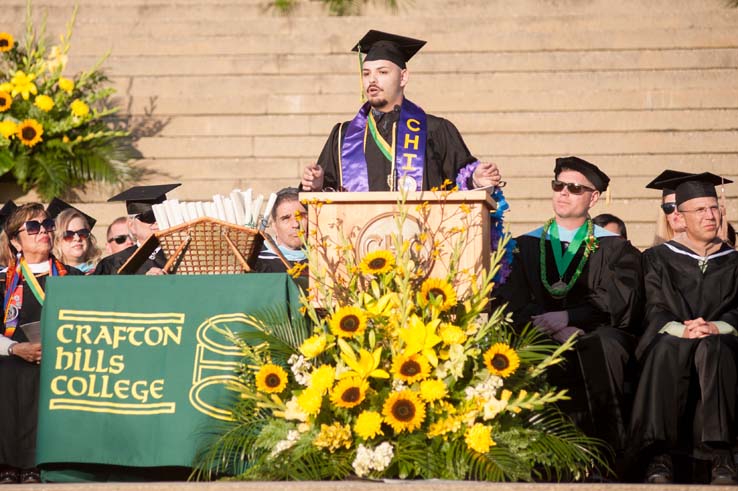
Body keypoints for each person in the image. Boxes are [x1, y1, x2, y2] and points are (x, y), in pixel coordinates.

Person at [496, 156, 643, 476]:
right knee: (524, 349)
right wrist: (551, 324)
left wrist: (572, 319)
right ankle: (536, 461)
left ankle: (604, 458)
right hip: (540, 329)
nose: (563, 192)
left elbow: (619, 300)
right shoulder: (525, 245)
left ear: (594, 197)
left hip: (594, 331)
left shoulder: (615, 248)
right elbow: (513, 299)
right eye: (558, 185)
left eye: (575, 188)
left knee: (606, 345)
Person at [630, 172, 738, 485]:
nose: (710, 215)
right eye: (701, 210)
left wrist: (716, 327)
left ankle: (722, 456)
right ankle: (659, 455)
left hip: (723, 339)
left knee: (713, 348)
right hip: (671, 334)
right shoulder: (656, 259)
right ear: (680, 216)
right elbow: (652, 307)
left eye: (714, 208)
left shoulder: (733, 260)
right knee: (665, 348)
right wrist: (681, 329)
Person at [301, 30, 501, 193]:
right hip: (358, 239)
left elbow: (462, 179)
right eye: (366, 73)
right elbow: (325, 196)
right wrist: (315, 185)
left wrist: (475, 180)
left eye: (382, 72)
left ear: (403, 77)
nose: (372, 80)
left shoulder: (435, 129)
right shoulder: (343, 136)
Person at [0, 203, 82, 484]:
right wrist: (14, 348)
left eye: (47, 225)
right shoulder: (3, 281)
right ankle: (7, 463)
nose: (43, 232)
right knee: (9, 371)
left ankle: (37, 462)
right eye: (32, 227)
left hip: (63, 357)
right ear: (14, 240)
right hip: (10, 356)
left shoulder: (74, 278)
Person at [93, 184, 180, 275]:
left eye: (162, 216)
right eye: (149, 217)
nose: (157, 222)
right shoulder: (113, 264)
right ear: (132, 226)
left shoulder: (184, 256)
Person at [254, 187, 307, 276]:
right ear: (274, 226)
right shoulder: (257, 262)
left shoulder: (325, 258)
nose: (295, 224)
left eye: (301, 216)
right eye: (286, 218)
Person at [48, 199, 101, 274]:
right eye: (68, 234)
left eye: (82, 233)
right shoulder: (50, 274)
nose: (77, 238)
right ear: (57, 240)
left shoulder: (101, 272)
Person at [647, 170, 691, 246]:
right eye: (669, 207)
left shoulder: (713, 253)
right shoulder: (653, 255)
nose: (676, 211)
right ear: (666, 216)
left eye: (680, 205)